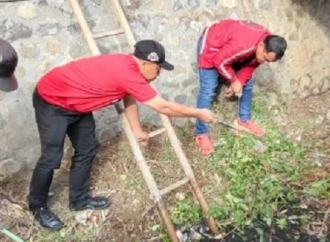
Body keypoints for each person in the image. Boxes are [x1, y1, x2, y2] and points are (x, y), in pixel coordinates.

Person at [28, 39, 216, 230]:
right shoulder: (127, 73)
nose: (158, 74)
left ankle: (78, 200)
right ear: (145, 63)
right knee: (51, 157)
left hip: (77, 103)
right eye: (158, 69)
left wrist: (137, 130)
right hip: (52, 100)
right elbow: (163, 106)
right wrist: (199, 112)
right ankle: (37, 206)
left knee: (87, 149)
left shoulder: (131, 68)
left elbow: (128, 94)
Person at [195, 19, 287, 155]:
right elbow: (219, 61)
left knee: (246, 83)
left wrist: (240, 81)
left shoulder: (268, 43)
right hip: (211, 45)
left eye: (270, 61)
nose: (266, 64)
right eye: (266, 59)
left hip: (230, 48)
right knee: (208, 89)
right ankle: (201, 134)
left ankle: (244, 120)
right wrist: (233, 80)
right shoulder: (245, 46)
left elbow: (250, 66)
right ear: (261, 46)